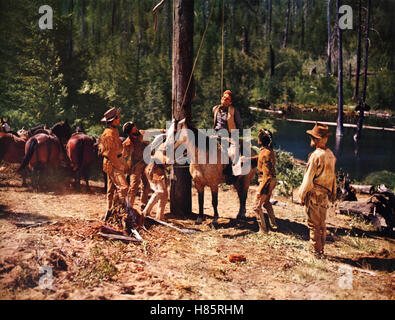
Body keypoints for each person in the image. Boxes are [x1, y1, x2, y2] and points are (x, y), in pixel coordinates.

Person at [297, 123, 337, 258]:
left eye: (313, 137)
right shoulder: (330, 154)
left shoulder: (316, 156)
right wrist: (333, 193)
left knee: (313, 224)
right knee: (322, 224)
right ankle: (321, 250)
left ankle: (316, 253)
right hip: (325, 195)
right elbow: (333, 177)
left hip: (314, 194)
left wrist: (302, 195)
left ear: (316, 139)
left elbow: (308, 178)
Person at [98, 107, 128, 222]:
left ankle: (109, 212)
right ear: (114, 119)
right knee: (124, 188)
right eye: (118, 117)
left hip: (114, 162)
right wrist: (118, 165)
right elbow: (110, 153)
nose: (119, 119)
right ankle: (123, 213)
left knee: (111, 190)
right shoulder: (108, 134)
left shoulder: (114, 131)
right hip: (112, 163)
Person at [122, 121, 151, 211]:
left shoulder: (143, 134)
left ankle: (143, 205)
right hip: (135, 166)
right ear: (129, 132)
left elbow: (150, 143)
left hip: (146, 163)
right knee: (134, 186)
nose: (135, 128)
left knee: (146, 185)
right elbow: (124, 158)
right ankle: (129, 206)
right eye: (132, 128)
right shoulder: (126, 143)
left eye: (134, 127)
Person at [253, 129, 278, 232]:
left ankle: (263, 230)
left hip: (266, 180)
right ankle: (274, 225)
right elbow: (260, 158)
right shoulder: (268, 151)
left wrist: (260, 190)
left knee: (256, 206)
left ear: (260, 141)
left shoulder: (265, 153)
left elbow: (266, 174)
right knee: (266, 202)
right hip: (271, 179)